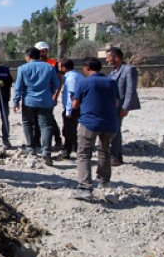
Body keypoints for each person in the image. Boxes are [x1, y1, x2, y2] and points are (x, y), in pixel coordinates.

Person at [72, 57, 120, 199]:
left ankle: (85, 187)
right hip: (110, 123)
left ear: (87, 68)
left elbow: (75, 104)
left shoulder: (84, 82)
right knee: (105, 151)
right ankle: (104, 180)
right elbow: (117, 102)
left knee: (84, 153)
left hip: (89, 123)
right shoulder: (111, 82)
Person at [13, 47, 60, 165]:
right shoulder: (49, 67)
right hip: (45, 101)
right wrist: (53, 96)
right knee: (46, 126)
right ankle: (46, 152)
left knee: (28, 123)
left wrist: (16, 101)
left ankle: (31, 148)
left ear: (28, 57)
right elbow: (56, 84)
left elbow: (18, 87)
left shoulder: (22, 68)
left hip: (29, 101)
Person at [106, 47, 140, 166]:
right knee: (113, 129)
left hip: (120, 106)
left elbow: (131, 90)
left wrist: (126, 107)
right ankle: (114, 155)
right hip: (111, 105)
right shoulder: (113, 72)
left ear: (117, 57)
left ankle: (116, 157)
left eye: (108, 57)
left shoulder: (129, 70)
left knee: (115, 130)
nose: (107, 60)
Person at [35, 41, 64, 151]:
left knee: (49, 118)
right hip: (37, 95)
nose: (42, 53)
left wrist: (56, 94)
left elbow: (59, 80)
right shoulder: (34, 63)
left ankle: (57, 140)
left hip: (49, 95)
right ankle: (37, 142)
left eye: (44, 51)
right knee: (38, 118)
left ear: (47, 52)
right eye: (40, 51)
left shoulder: (53, 63)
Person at [58, 58, 84, 160]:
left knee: (68, 130)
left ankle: (78, 150)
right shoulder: (75, 76)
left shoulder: (71, 78)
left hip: (73, 108)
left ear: (64, 67)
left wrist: (69, 110)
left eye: (60, 66)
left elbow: (71, 96)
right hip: (75, 107)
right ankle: (66, 151)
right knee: (68, 130)